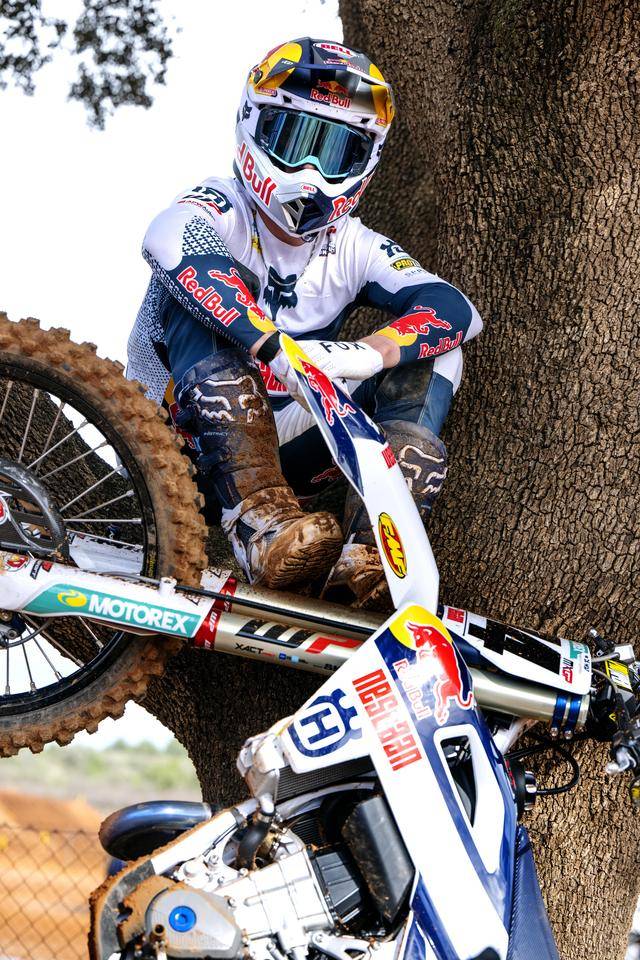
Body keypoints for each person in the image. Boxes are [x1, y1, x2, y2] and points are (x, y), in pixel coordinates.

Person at [127, 37, 482, 606]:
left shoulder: (353, 245)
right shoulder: (223, 203)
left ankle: (370, 558)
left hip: (285, 441)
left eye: (336, 150)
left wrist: (367, 352)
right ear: (255, 127)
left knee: (439, 351)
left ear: (365, 163)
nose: (312, 170)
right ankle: (256, 526)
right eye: (297, 140)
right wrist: (272, 346)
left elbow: (456, 309)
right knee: (191, 297)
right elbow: (168, 237)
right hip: (170, 444)